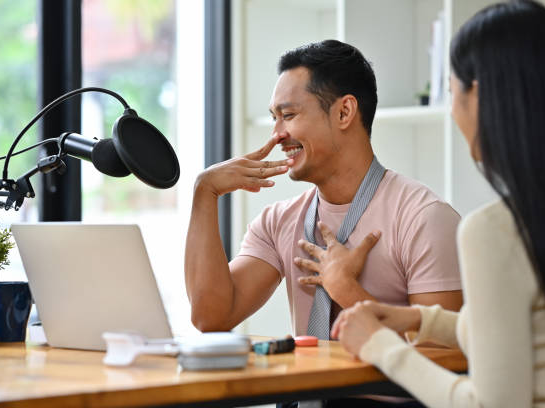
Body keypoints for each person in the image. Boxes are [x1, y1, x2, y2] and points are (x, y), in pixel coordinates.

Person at [320, 1, 545, 407]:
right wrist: (424, 320)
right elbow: (543, 330)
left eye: (450, 88)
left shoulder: (496, 231)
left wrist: (382, 349)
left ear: (476, 95)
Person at [185, 39, 463, 343]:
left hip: (387, 393)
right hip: (303, 391)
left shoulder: (424, 218)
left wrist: (347, 290)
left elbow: (443, 357)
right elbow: (210, 317)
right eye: (274, 117)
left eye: (288, 115)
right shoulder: (277, 222)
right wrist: (204, 193)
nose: (277, 135)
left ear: (344, 112)